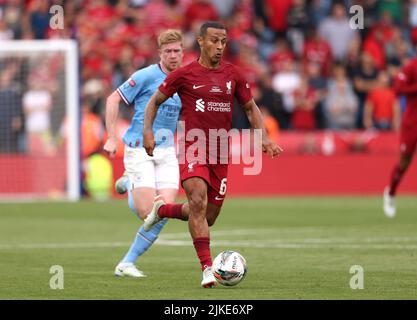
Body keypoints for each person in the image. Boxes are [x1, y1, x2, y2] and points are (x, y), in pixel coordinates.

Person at [142, 21, 282, 288]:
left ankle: (164, 210)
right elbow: (154, 102)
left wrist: (263, 136)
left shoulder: (234, 75)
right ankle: (207, 269)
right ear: (201, 41)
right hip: (192, 145)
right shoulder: (184, 74)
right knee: (197, 201)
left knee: (207, 217)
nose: (219, 47)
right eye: (215, 41)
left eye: (224, 42)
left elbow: (251, 108)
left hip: (220, 149)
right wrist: (148, 131)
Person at [103, 29, 184, 277]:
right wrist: (111, 137)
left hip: (167, 151)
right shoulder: (147, 75)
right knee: (146, 213)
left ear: (183, 53)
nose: (173, 55)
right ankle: (131, 185)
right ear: (160, 53)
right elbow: (112, 100)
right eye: (168, 51)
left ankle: (127, 262)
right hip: (140, 149)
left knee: (165, 211)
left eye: (177, 51)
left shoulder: (187, 79)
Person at [383, 51, 417, 218]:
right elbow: (397, 89)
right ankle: (391, 192)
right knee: (405, 161)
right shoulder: (411, 66)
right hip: (412, 122)